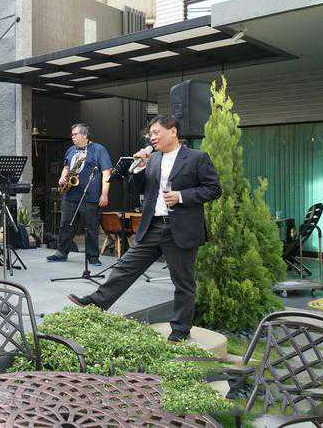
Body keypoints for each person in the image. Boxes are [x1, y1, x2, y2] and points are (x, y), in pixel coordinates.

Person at [68, 115, 221, 342]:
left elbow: (214, 189)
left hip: (180, 228)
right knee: (125, 267)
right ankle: (96, 302)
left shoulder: (196, 158)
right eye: (151, 134)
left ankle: (180, 330)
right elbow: (137, 189)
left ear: (173, 131)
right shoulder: (153, 159)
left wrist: (181, 196)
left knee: (183, 282)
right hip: (152, 225)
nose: (152, 137)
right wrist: (138, 168)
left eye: (157, 132)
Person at [47, 123, 112, 265]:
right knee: (65, 225)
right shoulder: (71, 150)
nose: (72, 137)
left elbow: (106, 172)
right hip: (70, 195)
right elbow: (66, 167)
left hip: (90, 196)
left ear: (85, 135)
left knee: (91, 228)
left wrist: (104, 194)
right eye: (72, 134)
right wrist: (62, 177)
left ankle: (93, 257)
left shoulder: (99, 150)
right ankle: (61, 252)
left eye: (75, 134)